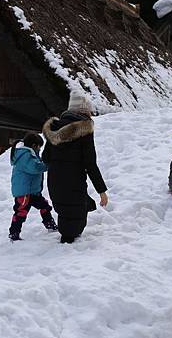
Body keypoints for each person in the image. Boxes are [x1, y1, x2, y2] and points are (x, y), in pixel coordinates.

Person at [42, 90, 108, 243]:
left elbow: (46, 157)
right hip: (74, 183)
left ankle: (67, 237)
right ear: (84, 110)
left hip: (55, 183)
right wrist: (102, 191)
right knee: (74, 219)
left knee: (65, 212)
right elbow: (90, 164)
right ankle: (69, 242)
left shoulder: (54, 129)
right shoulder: (85, 130)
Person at [8, 133, 58, 241]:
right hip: (24, 192)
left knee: (44, 206)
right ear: (35, 145)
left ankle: (50, 225)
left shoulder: (30, 154)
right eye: (40, 146)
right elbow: (35, 167)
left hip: (33, 192)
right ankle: (14, 233)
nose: (40, 149)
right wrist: (48, 165)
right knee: (21, 212)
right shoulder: (25, 155)